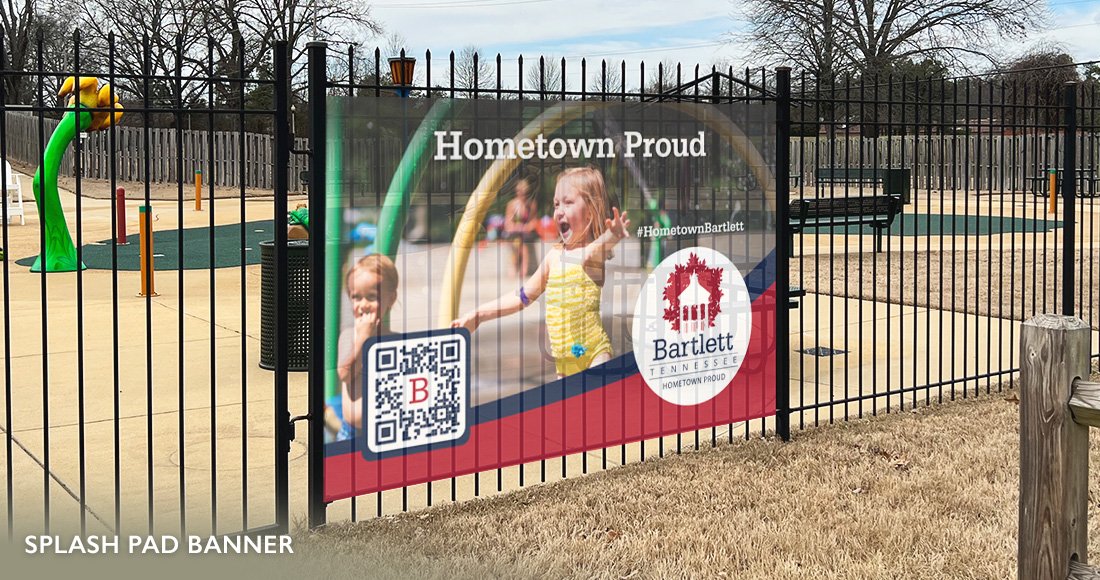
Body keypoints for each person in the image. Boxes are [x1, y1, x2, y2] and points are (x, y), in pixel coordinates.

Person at [452, 167, 630, 378]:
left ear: (591, 210)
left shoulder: (590, 256)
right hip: (564, 364)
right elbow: (521, 297)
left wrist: (613, 236)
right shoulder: (553, 257)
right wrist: (479, 315)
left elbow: (594, 253)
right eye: (556, 204)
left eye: (568, 202)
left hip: (595, 355)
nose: (559, 211)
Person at [332, 253, 399, 438]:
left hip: (386, 431)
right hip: (352, 434)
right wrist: (362, 339)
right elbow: (345, 374)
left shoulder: (394, 339)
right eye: (356, 297)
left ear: (391, 299)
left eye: (371, 297)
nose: (363, 305)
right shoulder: (349, 336)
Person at [502, 176, 539, 278]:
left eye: (525, 192)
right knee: (517, 243)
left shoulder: (531, 204)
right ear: (517, 192)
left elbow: (534, 221)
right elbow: (508, 222)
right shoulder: (512, 204)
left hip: (525, 233)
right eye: (520, 192)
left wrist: (526, 227)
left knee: (522, 243)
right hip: (515, 232)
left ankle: (521, 268)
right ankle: (518, 267)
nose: (522, 194)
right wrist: (516, 227)